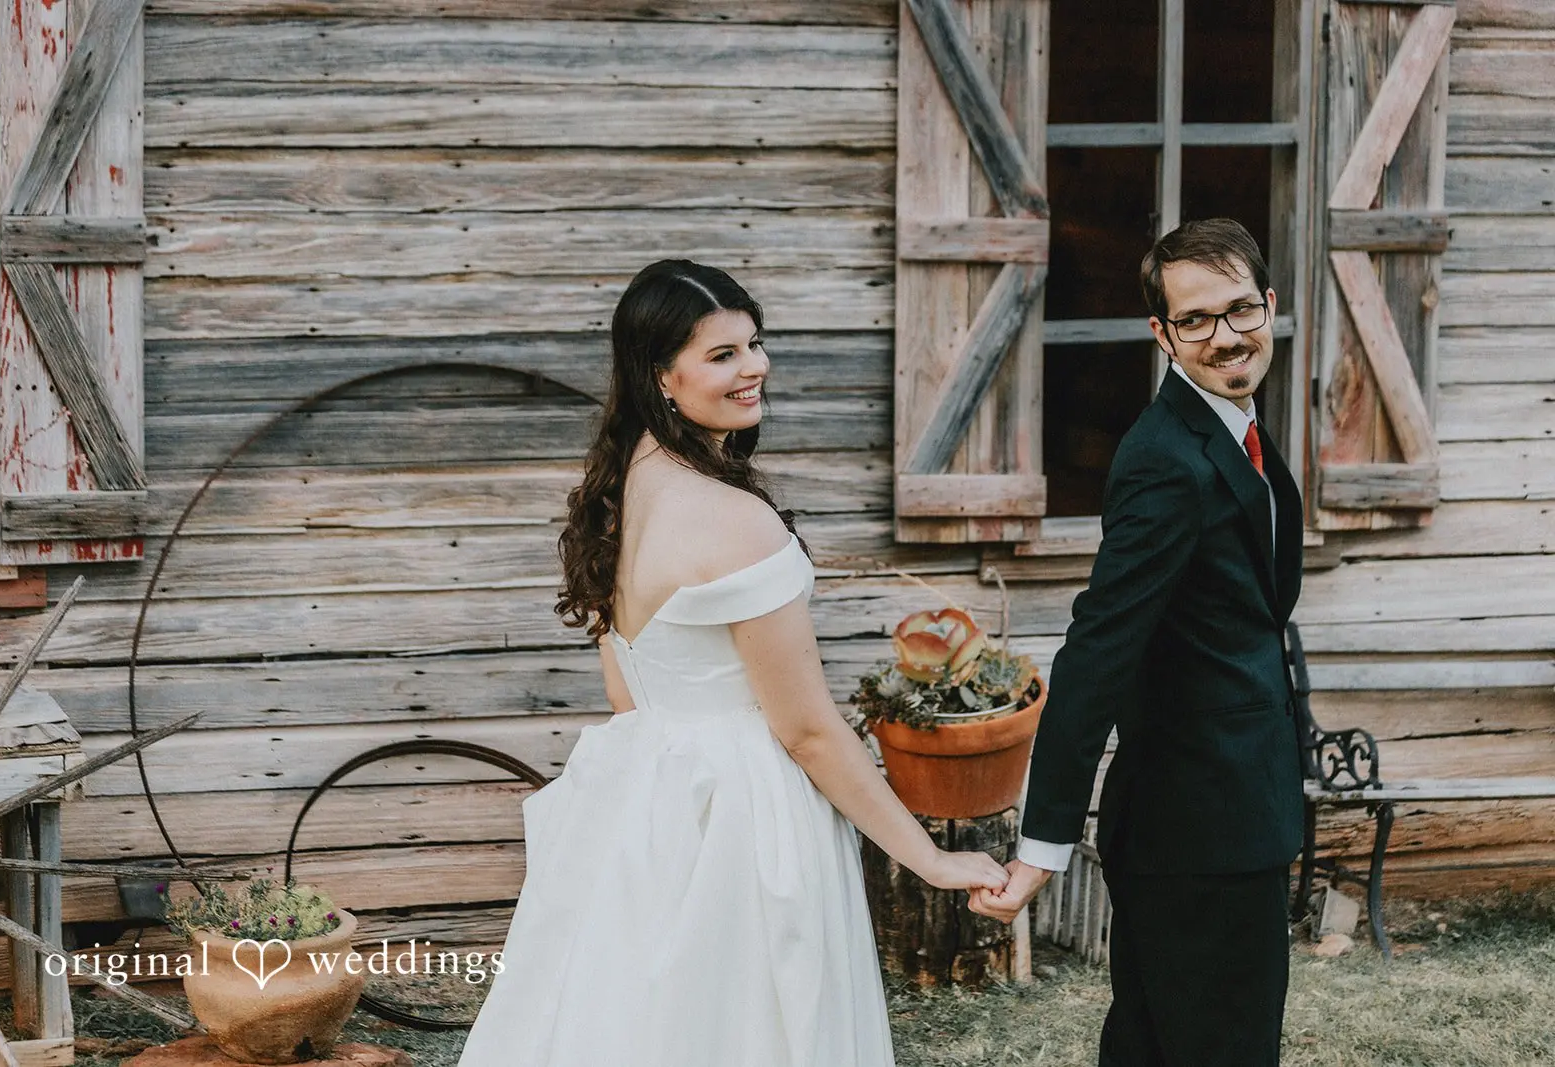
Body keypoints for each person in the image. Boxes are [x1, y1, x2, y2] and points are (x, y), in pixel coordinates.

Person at [457, 259, 1014, 1067]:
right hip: (747, 814)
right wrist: (928, 855)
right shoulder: (734, 520)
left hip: (648, 798)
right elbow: (808, 730)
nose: (753, 367)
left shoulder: (621, 490)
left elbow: (628, 692)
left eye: (754, 343)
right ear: (662, 376)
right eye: (722, 355)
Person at [983, 219, 1306, 1066]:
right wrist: (1044, 838)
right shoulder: (1168, 458)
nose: (1226, 336)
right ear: (1161, 335)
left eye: (1240, 310)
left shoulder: (1235, 426)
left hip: (1230, 812)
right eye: (1195, 320)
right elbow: (1098, 649)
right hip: (1196, 831)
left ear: (1269, 307)